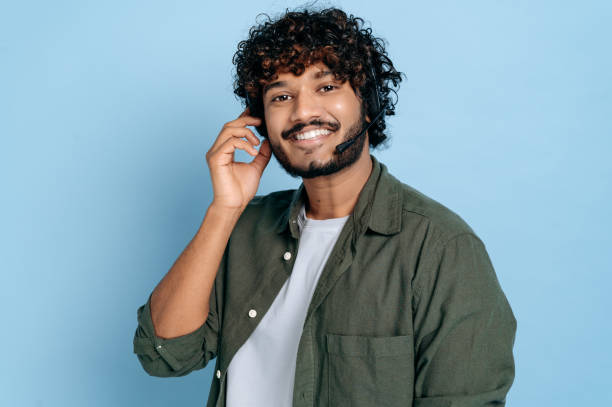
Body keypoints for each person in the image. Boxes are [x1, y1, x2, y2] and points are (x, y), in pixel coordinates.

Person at [133, 7, 517, 407]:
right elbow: (165, 355)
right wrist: (224, 209)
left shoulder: (441, 247)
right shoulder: (244, 228)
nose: (302, 112)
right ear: (261, 120)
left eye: (327, 87)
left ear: (367, 104)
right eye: (281, 96)